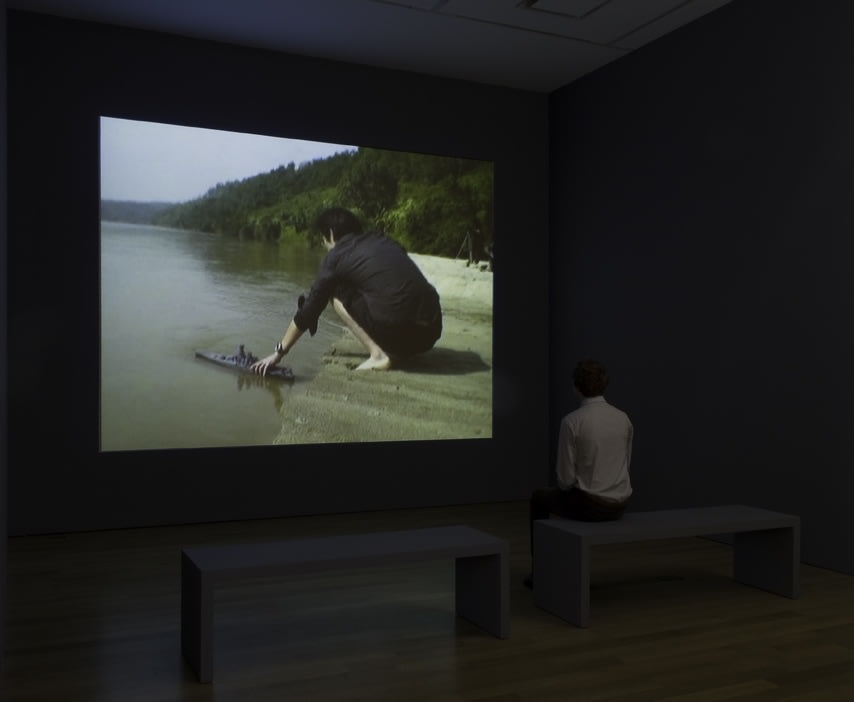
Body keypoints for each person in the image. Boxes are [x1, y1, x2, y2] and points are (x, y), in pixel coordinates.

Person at [251, 207, 442, 374]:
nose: (324, 245)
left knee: (333, 289)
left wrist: (278, 353)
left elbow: (309, 310)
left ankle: (378, 356)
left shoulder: (335, 256)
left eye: (323, 239)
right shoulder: (383, 240)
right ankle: (398, 348)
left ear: (331, 234)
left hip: (399, 335)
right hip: (430, 333)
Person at [526, 359, 633, 588]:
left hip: (591, 507)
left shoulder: (572, 421)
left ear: (575, 387)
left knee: (538, 498)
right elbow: (626, 464)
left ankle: (540, 572)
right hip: (620, 505)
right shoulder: (623, 418)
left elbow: (565, 481)